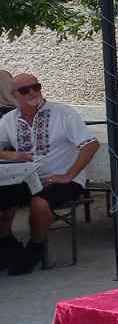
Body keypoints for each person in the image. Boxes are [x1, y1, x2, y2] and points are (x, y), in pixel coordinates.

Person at [0, 73, 100, 275]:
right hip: (27, 179)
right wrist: (12, 155)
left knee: (39, 203)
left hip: (63, 178)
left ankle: (35, 248)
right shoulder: (9, 120)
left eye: (36, 87)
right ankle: (9, 247)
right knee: (2, 202)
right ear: (13, 95)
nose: (32, 92)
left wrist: (69, 175)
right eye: (25, 90)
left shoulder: (63, 113)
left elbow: (90, 144)